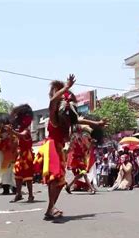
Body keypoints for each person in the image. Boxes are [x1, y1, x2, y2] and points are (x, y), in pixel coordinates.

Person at [34, 75, 106, 220]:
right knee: (55, 178)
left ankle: (50, 208)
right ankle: (51, 208)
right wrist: (66, 88)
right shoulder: (53, 116)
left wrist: (97, 124)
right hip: (52, 146)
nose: (61, 96)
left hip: (60, 148)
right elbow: (53, 101)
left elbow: (79, 119)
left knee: (60, 182)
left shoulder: (66, 118)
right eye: (57, 92)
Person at [9, 104, 35, 202]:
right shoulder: (20, 129)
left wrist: (12, 131)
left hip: (27, 156)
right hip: (21, 155)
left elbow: (21, 135)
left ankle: (31, 195)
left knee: (28, 176)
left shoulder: (26, 130)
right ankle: (18, 194)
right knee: (17, 174)